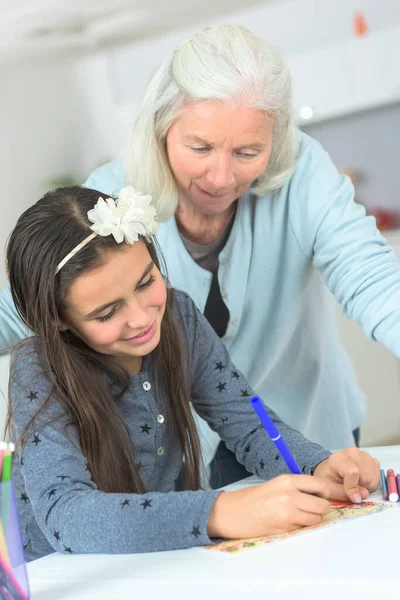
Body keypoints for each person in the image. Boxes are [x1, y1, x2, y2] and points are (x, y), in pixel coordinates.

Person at [1, 25, 400, 482]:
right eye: (201, 147)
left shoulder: (304, 173)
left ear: (278, 137)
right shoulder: (112, 202)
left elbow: (373, 281)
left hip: (306, 430)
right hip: (186, 456)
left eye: (248, 151)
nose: (221, 176)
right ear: (162, 129)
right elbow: (30, 302)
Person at [6, 186, 379, 562]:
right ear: (57, 320)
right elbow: (64, 515)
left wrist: (317, 464)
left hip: (158, 557)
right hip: (60, 573)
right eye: (106, 313)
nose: (141, 318)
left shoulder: (179, 318)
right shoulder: (38, 369)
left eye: (146, 282)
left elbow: (248, 422)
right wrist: (220, 511)